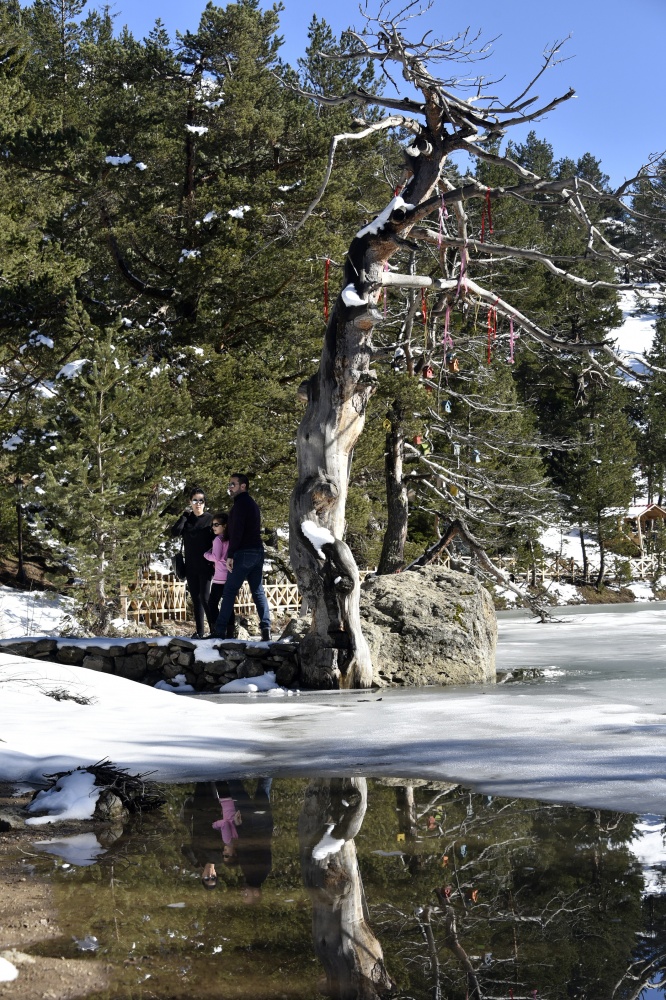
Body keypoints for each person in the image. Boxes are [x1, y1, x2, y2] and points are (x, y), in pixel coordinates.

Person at [212, 474, 271, 641]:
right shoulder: (252, 504)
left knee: (229, 591)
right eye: (229, 484)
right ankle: (266, 629)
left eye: (233, 484)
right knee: (258, 591)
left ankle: (219, 631)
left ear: (243, 486)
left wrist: (230, 554)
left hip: (244, 552)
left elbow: (237, 532)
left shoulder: (240, 505)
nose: (230, 487)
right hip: (258, 551)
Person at [171, 488, 214, 639]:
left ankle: (214, 630)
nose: (198, 504)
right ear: (190, 502)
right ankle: (200, 632)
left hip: (207, 565)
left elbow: (220, 538)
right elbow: (175, 532)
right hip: (190, 566)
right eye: (195, 500)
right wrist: (183, 517)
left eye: (201, 500)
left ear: (204, 503)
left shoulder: (210, 519)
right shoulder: (187, 520)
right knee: (196, 599)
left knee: (206, 598)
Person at [223, 778, 274, 904]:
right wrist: (239, 826)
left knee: (263, 789)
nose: (242, 892)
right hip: (252, 824)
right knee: (235, 788)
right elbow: (249, 845)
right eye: (246, 895)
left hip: (265, 825)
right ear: (256, 893)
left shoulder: (262, 873)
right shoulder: (254, 873)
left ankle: (269, 762)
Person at [204, 512, 236, 638]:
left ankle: (216, 630)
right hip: (230, 576)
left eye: (216, 524)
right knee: (228, 605)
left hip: (219, 578)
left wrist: (205, 554)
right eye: (213, 525)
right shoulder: (232, 539)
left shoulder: (218, 539)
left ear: (224, 525)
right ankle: (230, 633)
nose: (213, 527)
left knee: (212, 604)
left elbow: (216, 557)